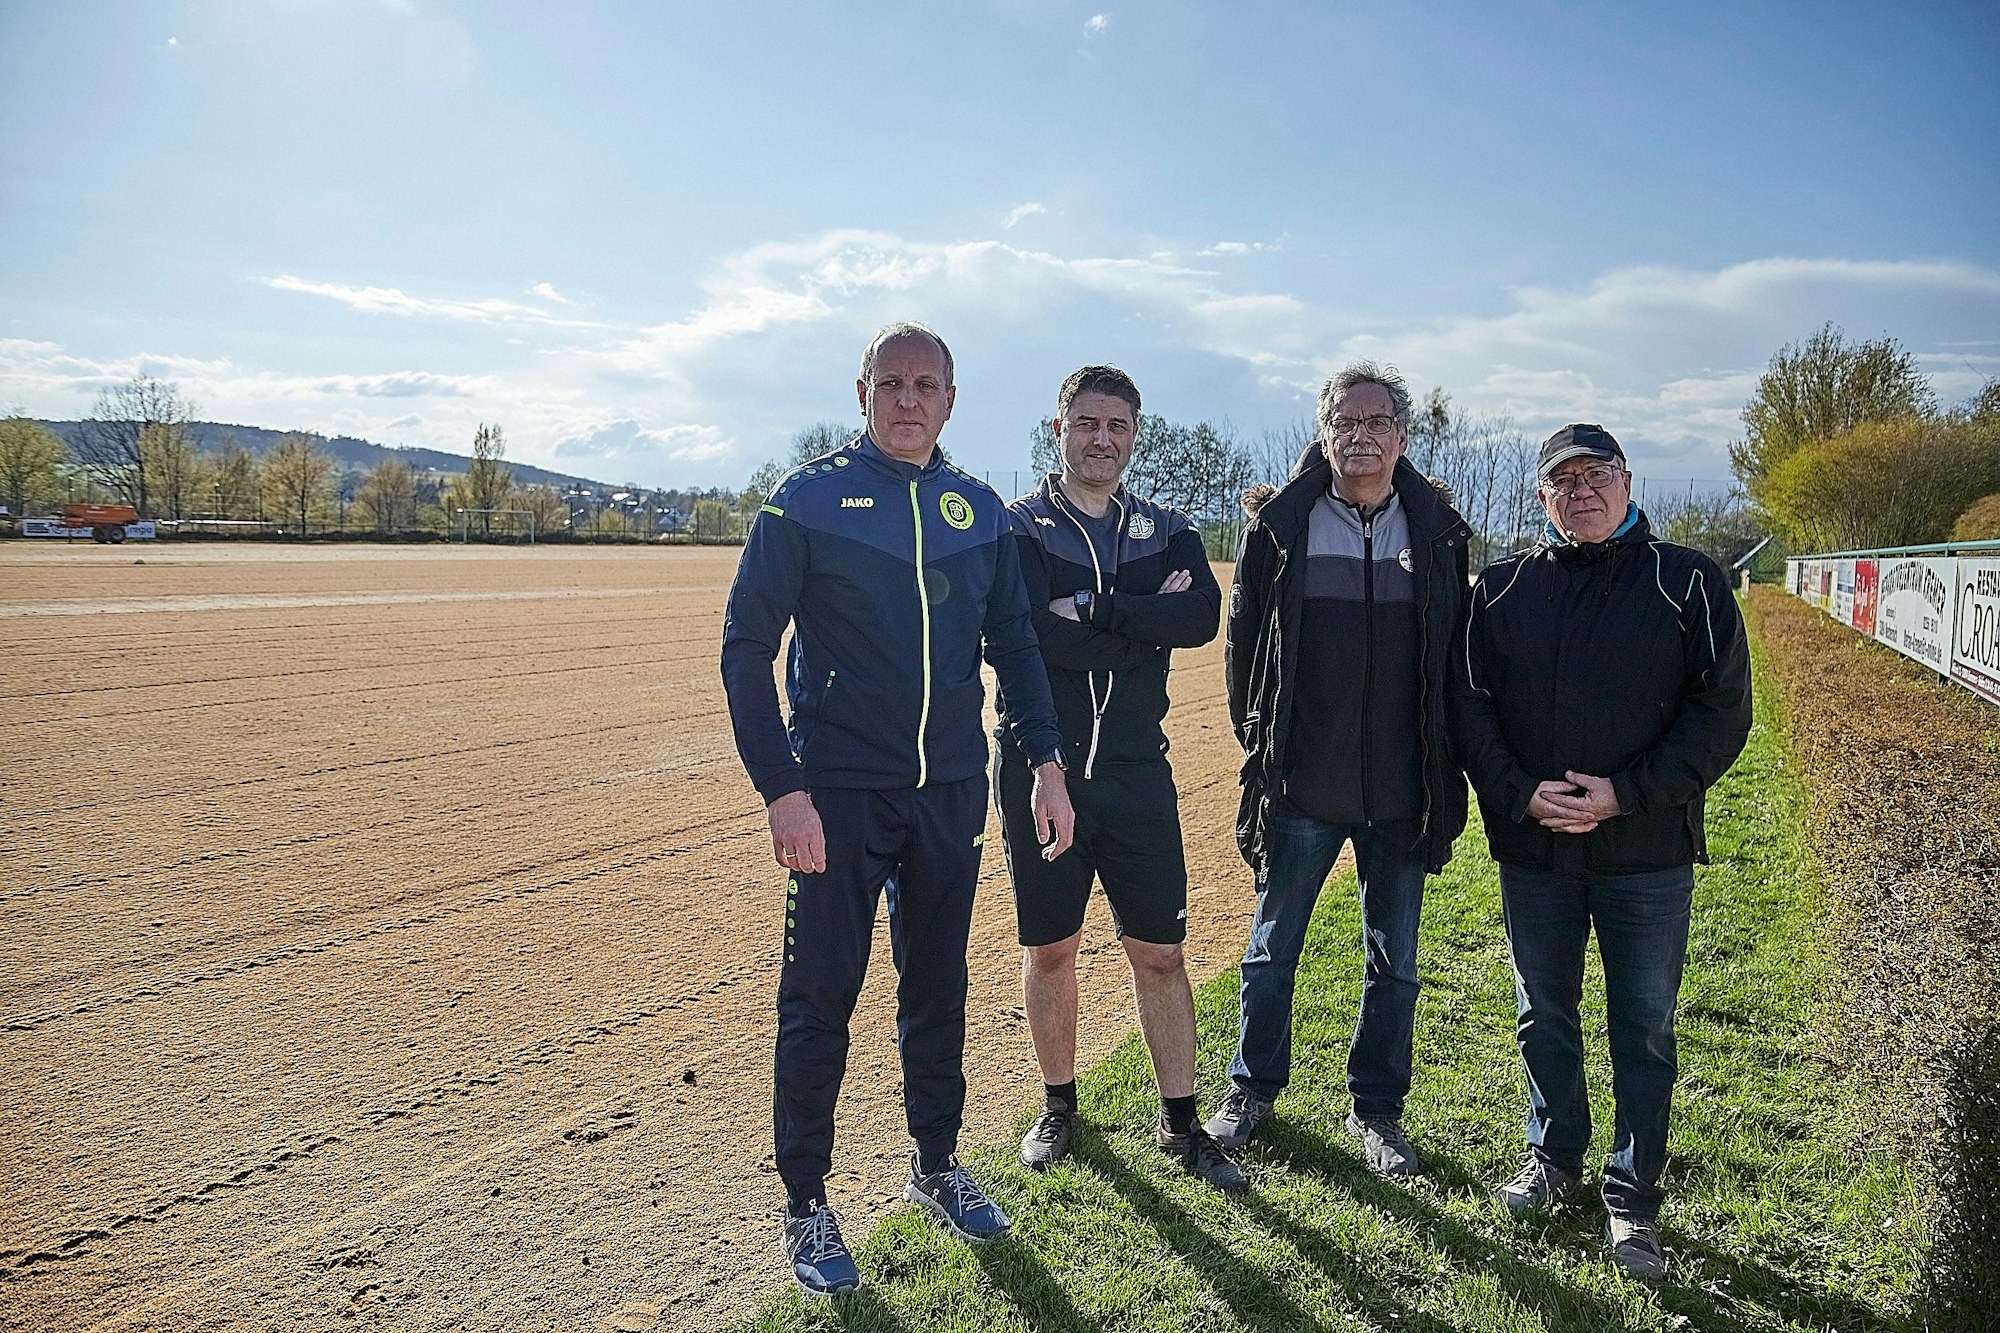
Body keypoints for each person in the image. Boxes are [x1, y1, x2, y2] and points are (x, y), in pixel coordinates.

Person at [720, 322, 1076, 1298]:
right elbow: (745, 647)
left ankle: (935, 1164)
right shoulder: (804, 503)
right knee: (819, 999)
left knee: (936, 990)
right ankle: (805, 1201)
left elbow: (1016, 646)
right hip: (833, 796)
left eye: (927, 384)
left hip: (949, 793)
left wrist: (1045, 761)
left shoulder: (978, 514)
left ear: (951, 400)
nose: (908, 399)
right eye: (891, 382)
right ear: (862, 391)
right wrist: (782, 788)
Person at [1452, 423, 1751, 1281]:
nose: (1580, 491)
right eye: (1562, 480)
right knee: (1543, 1014)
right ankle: (1554, 1159)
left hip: (1646, 852)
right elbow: (1468, 704)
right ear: (1541, 495)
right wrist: (1518, 791)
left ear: (1627, 481)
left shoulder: (1688, 581)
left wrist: (1627, 792)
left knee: (1643, 1027)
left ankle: (1633, 1196)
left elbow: (1721, 712)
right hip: (1535, 845)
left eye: (1596, 475)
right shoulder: (1502, 588)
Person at [1206, 361, 1471, 1178]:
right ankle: (1251, 1088)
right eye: (1343, 421)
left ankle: (1378, 1109)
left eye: (1376, 421)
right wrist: (1260, 740)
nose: (1359, 435)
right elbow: (1243, 649)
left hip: (1402, 789)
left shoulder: (1437, 533)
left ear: (1400, 435)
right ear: (1323, 433)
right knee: (1270, 947)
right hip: (1302, 787)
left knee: (1396, 960)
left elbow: (1455, 659)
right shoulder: (1279, 530)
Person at [995, 365, 1244, 1192]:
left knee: (1162, 951)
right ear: (1059, 428)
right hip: (1042, 773)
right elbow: (1030, 638)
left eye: (1118, 425)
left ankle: (1181, 1122)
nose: (1103, 438)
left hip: (1138, 772)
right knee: (1052, 947)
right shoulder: (1020, 527)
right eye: (1087, 423)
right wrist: (1143, 618)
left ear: (1136, 434)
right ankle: (1059, 1104)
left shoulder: (1166, 529)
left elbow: (1200, 617)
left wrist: (1096, 608)